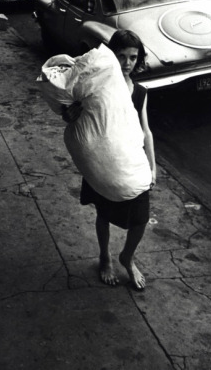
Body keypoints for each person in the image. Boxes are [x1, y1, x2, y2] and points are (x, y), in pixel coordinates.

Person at [62, 30, 157, 290]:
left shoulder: (139, 92)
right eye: (121, 56)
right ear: (111, 57)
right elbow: (75, 118)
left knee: (140, 218)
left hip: (132, 166)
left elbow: (146, 131)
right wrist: (69, 116)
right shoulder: (96, 87)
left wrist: (153, 166)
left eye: (133, 57)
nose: (127, 63)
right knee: (103, 214)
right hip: (102, 163)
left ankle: (127, 257)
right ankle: (104, 257)